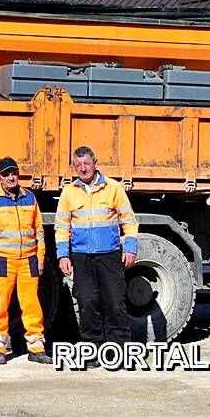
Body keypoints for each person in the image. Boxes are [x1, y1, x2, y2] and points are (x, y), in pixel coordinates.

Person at [55, 146, 139, 359]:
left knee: (114, 302)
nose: (83, 169)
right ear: (74, 167)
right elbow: (62, 227)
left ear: (95, 163)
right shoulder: (69, 192)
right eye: (78, 165)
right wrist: (63, 255)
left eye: (86, 164)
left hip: (109, 255)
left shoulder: (113, 188)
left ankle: (119, 352)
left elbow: (129, 221)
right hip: (81, 257)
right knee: (87, 302)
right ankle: (92, 351)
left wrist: (130, 248)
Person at [0, 157, 52, 365]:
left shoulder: (30, 198)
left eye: (14, 173)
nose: (11, 177)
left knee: (32, 304)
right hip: (1, 261)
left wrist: (40, 259)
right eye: (6, 174)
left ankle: (36, 348)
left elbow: (39, 232)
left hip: (28, 260)